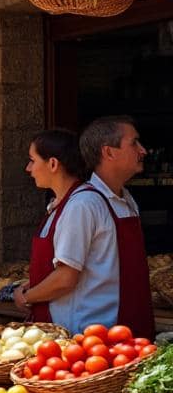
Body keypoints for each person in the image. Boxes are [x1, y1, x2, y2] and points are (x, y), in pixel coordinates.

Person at [19, 117, 153, 337]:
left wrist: (25, 296)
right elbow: (67, 275)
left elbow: (78, 274)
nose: (143, 151)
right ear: (109, 152)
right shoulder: (84, 204)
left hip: (119, 331)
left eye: (32, 160)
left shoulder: (124, 201)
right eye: (134, 143)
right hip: (89, 335)